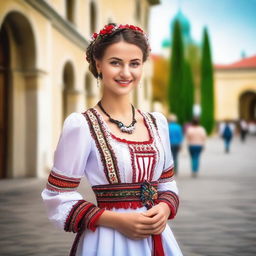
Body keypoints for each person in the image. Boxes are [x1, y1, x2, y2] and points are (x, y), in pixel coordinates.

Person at [41, 23, 183, 256]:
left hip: (157, 238)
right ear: (98, 65)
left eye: (134, 64)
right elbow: (57, 194)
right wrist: (118, 221)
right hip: (107, 240)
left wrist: (165, 208)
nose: (126, 73)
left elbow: (167, 183)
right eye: (115, 62)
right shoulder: (81, 126)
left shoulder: (157, 123)